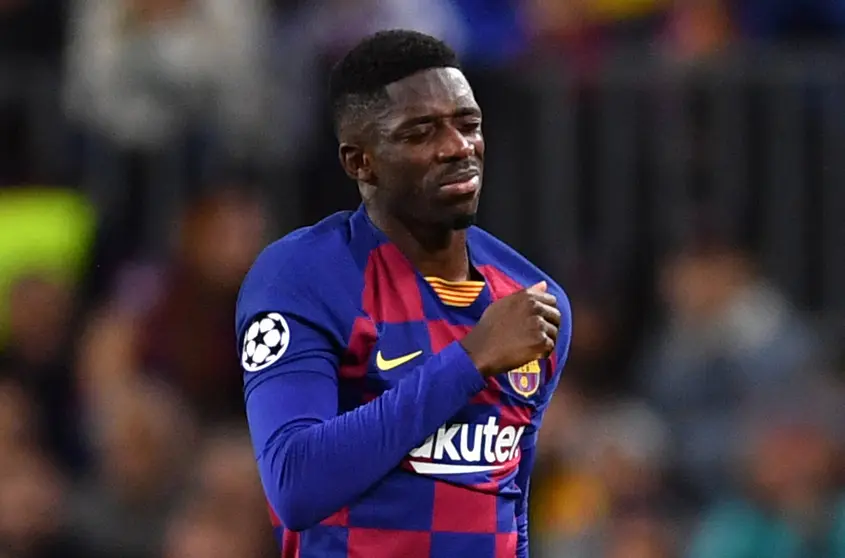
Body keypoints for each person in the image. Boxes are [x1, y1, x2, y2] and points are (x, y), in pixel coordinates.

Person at [235, 29, 572, 558]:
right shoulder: (305, 277)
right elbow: (296, 484)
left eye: (468, 124)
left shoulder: (530, 299)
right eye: (421, 133)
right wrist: (469, 359)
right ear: (359, 162)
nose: (457, 147)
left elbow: (509, 506)